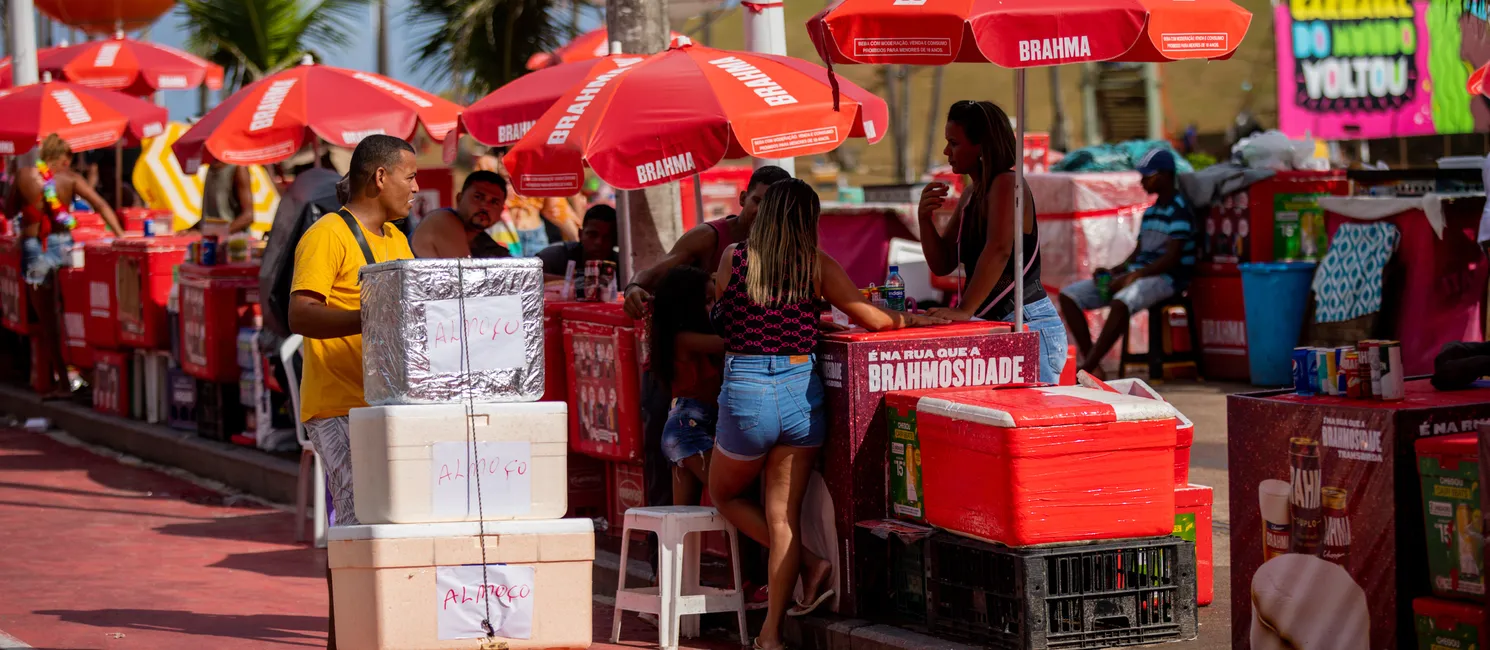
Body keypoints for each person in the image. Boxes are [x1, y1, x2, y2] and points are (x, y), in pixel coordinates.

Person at [709, 179, 946, 650]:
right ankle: (772, 633)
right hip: (801, 392)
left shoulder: (734, 257)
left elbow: (724, 313)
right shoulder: (815, 266)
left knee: (724, 494)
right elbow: (874, 319)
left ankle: (810, 563)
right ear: (808, 221)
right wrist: (918, 319)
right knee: (784, 518)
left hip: (748, 391)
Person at [287, 135, 418, 650]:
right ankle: (344, 641)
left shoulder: (395, 238)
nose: (415, 188)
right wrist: (369, 316)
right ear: (379, 177)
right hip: (338, 406)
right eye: (409, 176)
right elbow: (300, 313)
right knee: (359, 521)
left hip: (388, 406)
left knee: (387, 524)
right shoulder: (327, 235)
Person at [917, 100, 1067, 383]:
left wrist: (964, 310)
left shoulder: (1007, 184)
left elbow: (999, 250)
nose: (946, 152)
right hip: (996, 321)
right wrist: (925, 219)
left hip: (1026, 321)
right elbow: (942, 263)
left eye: (954, 143)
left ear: (982, 146)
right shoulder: (971, 194)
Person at [1058, 149, 1197, 377]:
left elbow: (1171, 259)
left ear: (1165, 175)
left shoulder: (1179, 211)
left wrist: (1133, 277)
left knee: (1122, 302)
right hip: (1142, 273)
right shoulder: (1152, 212)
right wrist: (1113, 271)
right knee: (1070, 296)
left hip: (1168, 278)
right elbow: (1139, 252)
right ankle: (1094, 363)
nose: (1142, 181)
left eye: (1148, 175)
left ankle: (1090, 366)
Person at [9, 134, 123, 396]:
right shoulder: (70, 179)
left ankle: (62, 382)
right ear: (63, 157)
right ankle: (84, 373)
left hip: (35, 246)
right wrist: (121, 237)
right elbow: (101, 205)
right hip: (65, 247)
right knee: (74, 314)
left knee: (48, 322)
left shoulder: (25, 175)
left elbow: (8, 210)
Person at [650, 265, 725, 507]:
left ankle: (671, 548)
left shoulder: (682, 340)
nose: (714, 307)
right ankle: (785, 546)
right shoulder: (684, 340)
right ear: (686, 306)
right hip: (687, 432)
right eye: (707, 301)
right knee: (732, 500)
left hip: (682, 432)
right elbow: (735, 342)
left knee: (683, 520)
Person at [411, 170, 512, 259]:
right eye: (478, 197)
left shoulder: (484, 243)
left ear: (501, 212)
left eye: (494, 202)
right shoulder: (443, 220)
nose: (485, 206)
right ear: (459, 198)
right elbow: (465, 276)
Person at [535, 204, 618, 285]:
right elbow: (530, 276)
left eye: (607, 237)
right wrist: (575, 282)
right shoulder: (556, 255)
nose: (599, 242)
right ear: (580, 234)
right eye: (592, 235)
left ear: (615, 239)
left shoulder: (624, 266)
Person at [202, 162, 256, 234]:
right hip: (213, 239)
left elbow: (248, 216)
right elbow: (212, 215)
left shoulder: (238, 168)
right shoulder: (210, 169)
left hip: (235, 241)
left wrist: (218, 234)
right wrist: (192, 229)